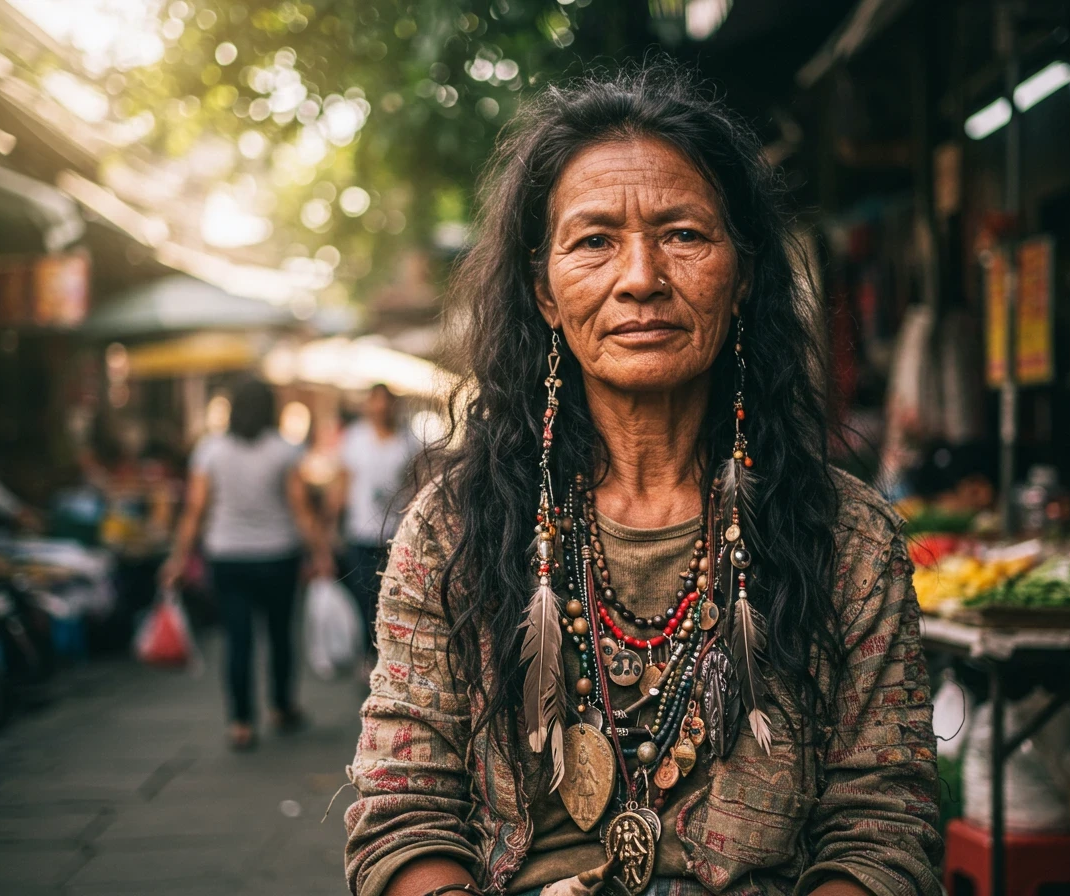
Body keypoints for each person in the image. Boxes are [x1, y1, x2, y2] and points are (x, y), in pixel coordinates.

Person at [343, 63, 941, 896]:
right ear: (545, 293)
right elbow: (402, 810)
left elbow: (885, 826)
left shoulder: (847, 536)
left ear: (744, 277)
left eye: (684, 236)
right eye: (593, 242)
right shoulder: (452, 529)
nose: (640, 279)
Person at [161, 379, 333, 750]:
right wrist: (320, 552)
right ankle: (281, 707)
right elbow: (301, 509)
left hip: (227, 557)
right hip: (278, 556)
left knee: (237, 639)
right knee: (280, 635)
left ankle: (241, 722)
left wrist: (178, 558)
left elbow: (195, 510)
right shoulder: (284, 451)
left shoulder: (210, 451)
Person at [328, 384, 415, 656]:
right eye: (375, 402)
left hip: (396, 532)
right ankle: (370, 652)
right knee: (365, 597)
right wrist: (331, 527)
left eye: (385, 403)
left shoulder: (408, 442)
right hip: (360, 532)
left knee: (393, 597)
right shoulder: (354, 439)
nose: (379, 408)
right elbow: (342, 484)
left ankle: (389, 653)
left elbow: (415, 485)